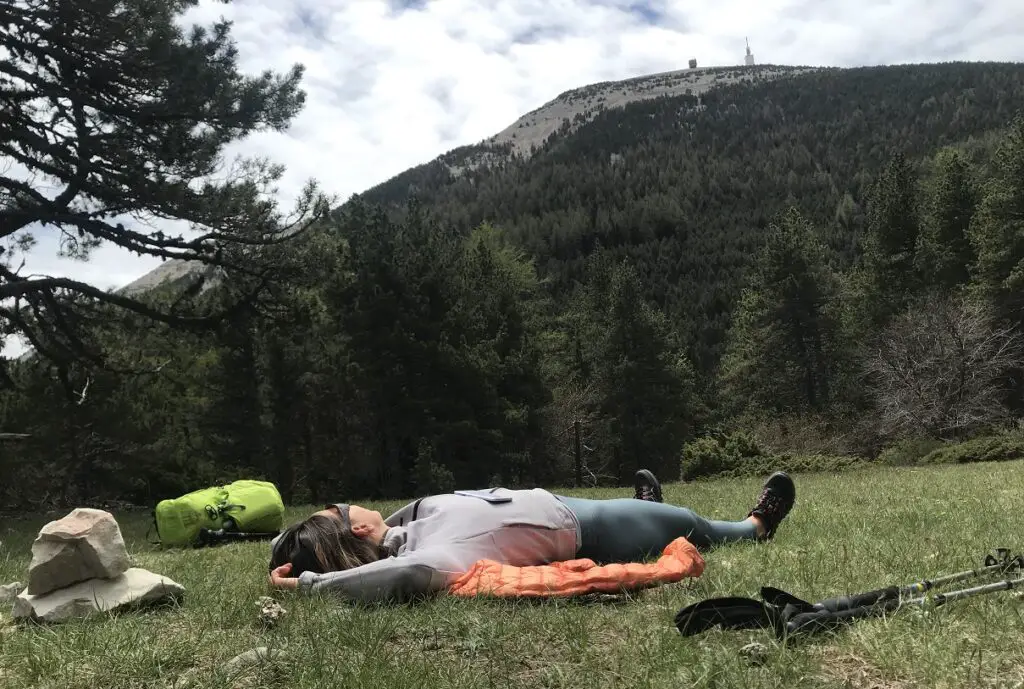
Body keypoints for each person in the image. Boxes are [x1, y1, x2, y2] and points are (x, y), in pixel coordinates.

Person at [267, 470, 796, 604]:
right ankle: (754, 528)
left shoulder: (409, 523)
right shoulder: (430, 554)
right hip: (589, 528)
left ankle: (644, 511)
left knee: (652, 516)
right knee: (690, 523)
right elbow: (402, 574)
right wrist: (308, 583)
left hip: (568, 507)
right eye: (342, 508)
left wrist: (290, 549)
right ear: (356, 527)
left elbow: (390, 544)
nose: (350, 502)